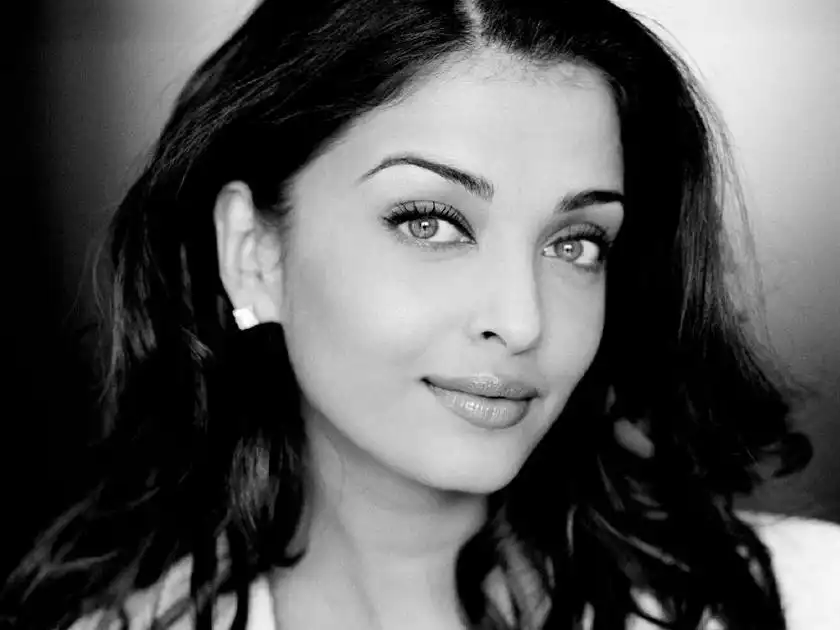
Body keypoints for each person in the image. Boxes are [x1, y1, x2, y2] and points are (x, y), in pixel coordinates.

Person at [2, 0, 839, 628]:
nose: (522, 320)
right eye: (430, 223)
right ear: (254, 253)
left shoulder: (808, 599)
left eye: (576, 242)